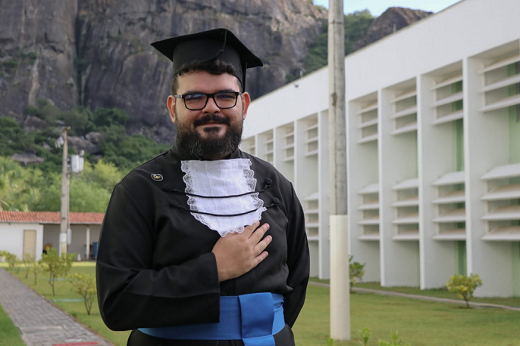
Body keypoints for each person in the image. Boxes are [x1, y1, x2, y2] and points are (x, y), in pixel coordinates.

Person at [96, 28, 310, 346]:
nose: (212, 108)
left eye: (225, 95)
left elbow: (297, 281)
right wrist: (213, 269)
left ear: (244, 104)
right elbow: (117, 303)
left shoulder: (275, 185)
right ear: (173, 108)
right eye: (194, 97)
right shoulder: (139, 190)